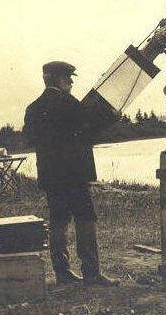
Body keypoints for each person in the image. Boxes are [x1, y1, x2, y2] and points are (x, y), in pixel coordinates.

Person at [23, 60, 117, 286]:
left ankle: (62, 273)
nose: (72, 83)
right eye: (69, 79)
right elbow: (88, 131)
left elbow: (29, 139)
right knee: (86, 219)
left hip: (51, 175)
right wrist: (112, 116)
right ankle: (91, 273)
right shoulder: (69, 103)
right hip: (74, 174)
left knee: (58, 220)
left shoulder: (33, 107)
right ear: (61, 80)